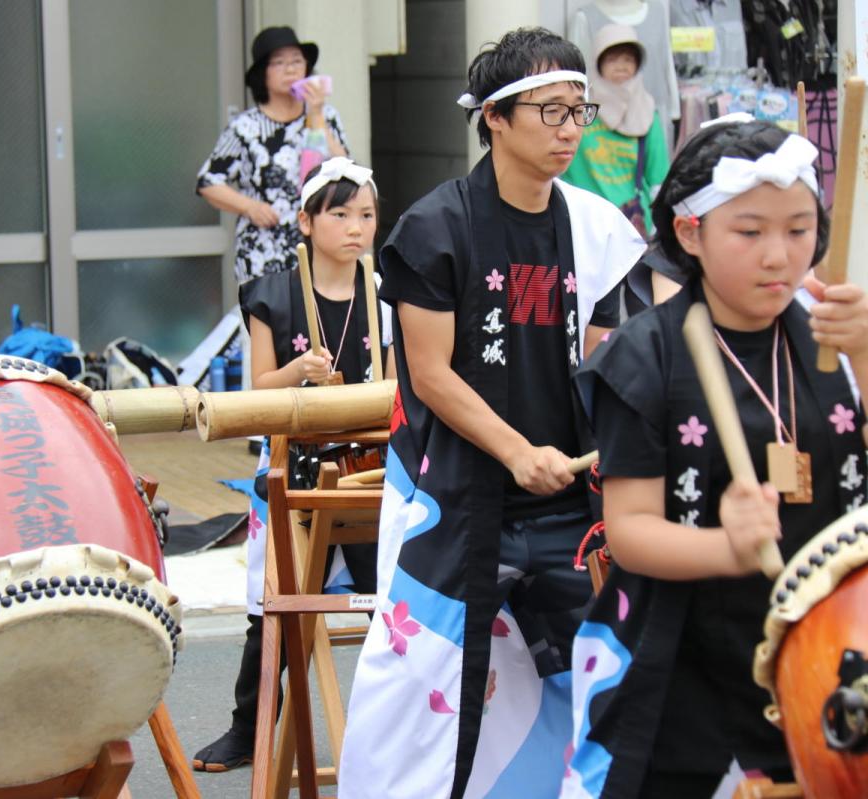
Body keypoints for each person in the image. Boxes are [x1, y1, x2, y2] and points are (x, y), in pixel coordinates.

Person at [337, 28, 646, 798]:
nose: (571, 128)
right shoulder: (435, 229)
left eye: (580, 110)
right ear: (496, 118)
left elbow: (615, 357)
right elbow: (432, 374)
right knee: (418, 692)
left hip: (572, 509)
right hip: (458, 504)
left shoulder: (598, 229)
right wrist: (515, 451)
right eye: (551, 111)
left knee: (610, 681)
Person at [563, 119, 868, 798]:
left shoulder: (836, 335)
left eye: (798, 229)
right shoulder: (647, 355)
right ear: (691, 232)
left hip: (836, 648)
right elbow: (631, 531)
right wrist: (727, 548)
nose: (779, 256)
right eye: (750, 231)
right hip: (684, 660)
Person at [192, 158, 394, 772]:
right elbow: (257, 393)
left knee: (389, 605)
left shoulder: (384, 294)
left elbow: (395, 381)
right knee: (270, 605)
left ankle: (391, 732)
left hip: (368, 468)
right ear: (305, 222)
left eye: (366, 214)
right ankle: (249, 727)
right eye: (339, 214)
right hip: (294, 461)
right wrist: (294, 375)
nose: (355, 227)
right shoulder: (272, 295)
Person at [197, 26, 349, 283]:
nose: (290, 69)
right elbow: (208, 182)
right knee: (267, 321)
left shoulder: (326, 116)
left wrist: (317, 115)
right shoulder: (245, 127)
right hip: (262, 252)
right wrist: (250, 207)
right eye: (279, 63)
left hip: (318, 250)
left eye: (296, 61)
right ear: (262, 74)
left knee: (317, 322)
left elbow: (345, 169)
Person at [561, 24, 669, 239]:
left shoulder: (647, 113)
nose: (621, 66)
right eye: (613, 59)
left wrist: (662, 228)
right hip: (582, 223)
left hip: (631, 228)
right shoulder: (578, 110)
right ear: (598, 64)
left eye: (628, 59)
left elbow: (658, 180)